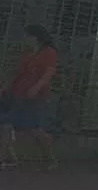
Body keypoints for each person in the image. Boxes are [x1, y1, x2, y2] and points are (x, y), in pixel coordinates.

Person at [0, 25, 58, 170]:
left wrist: (36, 87)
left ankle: (50, 158)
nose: (25, 39)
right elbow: (18, 72)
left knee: (34, 129)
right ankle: (4, 159)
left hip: (34, 96)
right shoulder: (27, 53)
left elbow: (48, 73)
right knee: (6, 125)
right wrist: (6, 86)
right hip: (17, 93)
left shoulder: (48, 52)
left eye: (27, 36)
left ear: (36, 37)